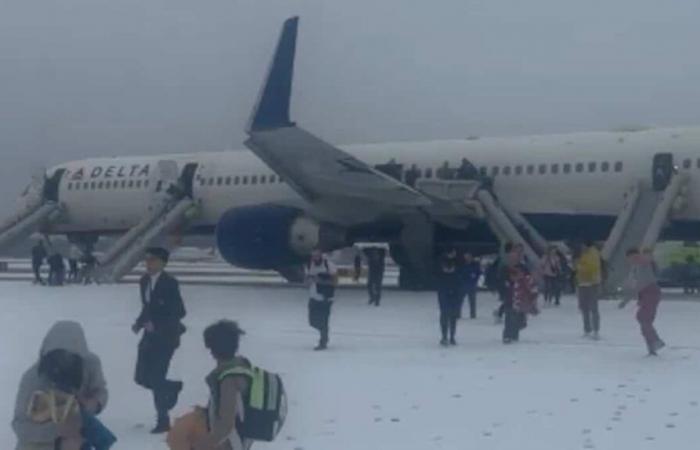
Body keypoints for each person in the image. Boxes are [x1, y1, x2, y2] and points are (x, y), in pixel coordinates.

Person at [13, 321, 113, 450]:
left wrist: (94, 404)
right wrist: (57, 436)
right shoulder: (33, 378)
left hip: (79, 433)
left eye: (71, 357)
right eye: (59, 356)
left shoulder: (90, 364)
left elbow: (100, 391)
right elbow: (20, 426)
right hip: (39, 443)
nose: (65, 361)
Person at [133, 247, 187, 433]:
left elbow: (180, 311)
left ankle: (163, 421)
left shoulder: (170, 283)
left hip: (166, 337)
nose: (148, 263)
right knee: (140, 377)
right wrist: (139, 322)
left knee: (156, 378)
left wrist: (157, 325)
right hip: (149, 336)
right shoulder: (144, 281)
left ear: (163, 263)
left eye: (153, 260)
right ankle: (172, 387)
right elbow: (147, 306)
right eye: (146, 259)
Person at [194, 320, 252, 450]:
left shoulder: (229, 379)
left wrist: (201, 446)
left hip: (230, 444)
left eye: (209, 347)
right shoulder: (241, 368)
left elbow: (226, 424)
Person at [620, 248, 666, 355]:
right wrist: (625, 300)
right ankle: (652, 348)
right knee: (645, 321)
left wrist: (643, 257)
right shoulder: (635, 267)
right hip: (645, 295)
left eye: (631, 258)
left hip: (651, 293)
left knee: (642, 318)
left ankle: (655, 341)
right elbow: (634, 286)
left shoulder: (642, 263)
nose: (630, 261)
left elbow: (647, 261)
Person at [306, 249, 338, 350]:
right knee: (312, 321)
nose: (315, 257)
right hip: (313, 296)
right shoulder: (310, 265)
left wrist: (321, 280)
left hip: (326, 297)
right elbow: (307, 279)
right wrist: (308, 280)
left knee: (323, 320)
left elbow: (335, 281)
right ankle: (324, 333)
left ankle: (323, 341)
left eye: (317, 255)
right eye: (313, 255)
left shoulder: (329, 265)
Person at [575, 240, 603, 339]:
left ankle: (595, 330)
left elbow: (591, 268)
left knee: (593, 308)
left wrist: (580, 266)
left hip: (592, 284)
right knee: (584, 308)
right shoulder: (585, 253)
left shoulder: (593, 253)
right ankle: (587, 329)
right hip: (583, 283)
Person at [436, 251, 462, 346]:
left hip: (449, 297)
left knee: (449, 317)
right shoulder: (452, 275)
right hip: (448, 297)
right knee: (449, 317)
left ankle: (449, 337)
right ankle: (447, 337)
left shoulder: (448, 275)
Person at [460, 252, 481, 319]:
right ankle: (457, 313)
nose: (467, 258)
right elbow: (459, 273)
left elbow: (478, 272)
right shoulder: (462, 264)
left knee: (472, 300)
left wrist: (475, 278)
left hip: (472, 284)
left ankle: (473, 314)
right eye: (466, 257)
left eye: (468, 257)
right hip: (463, 284)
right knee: (460, 300)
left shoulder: (475, 265)